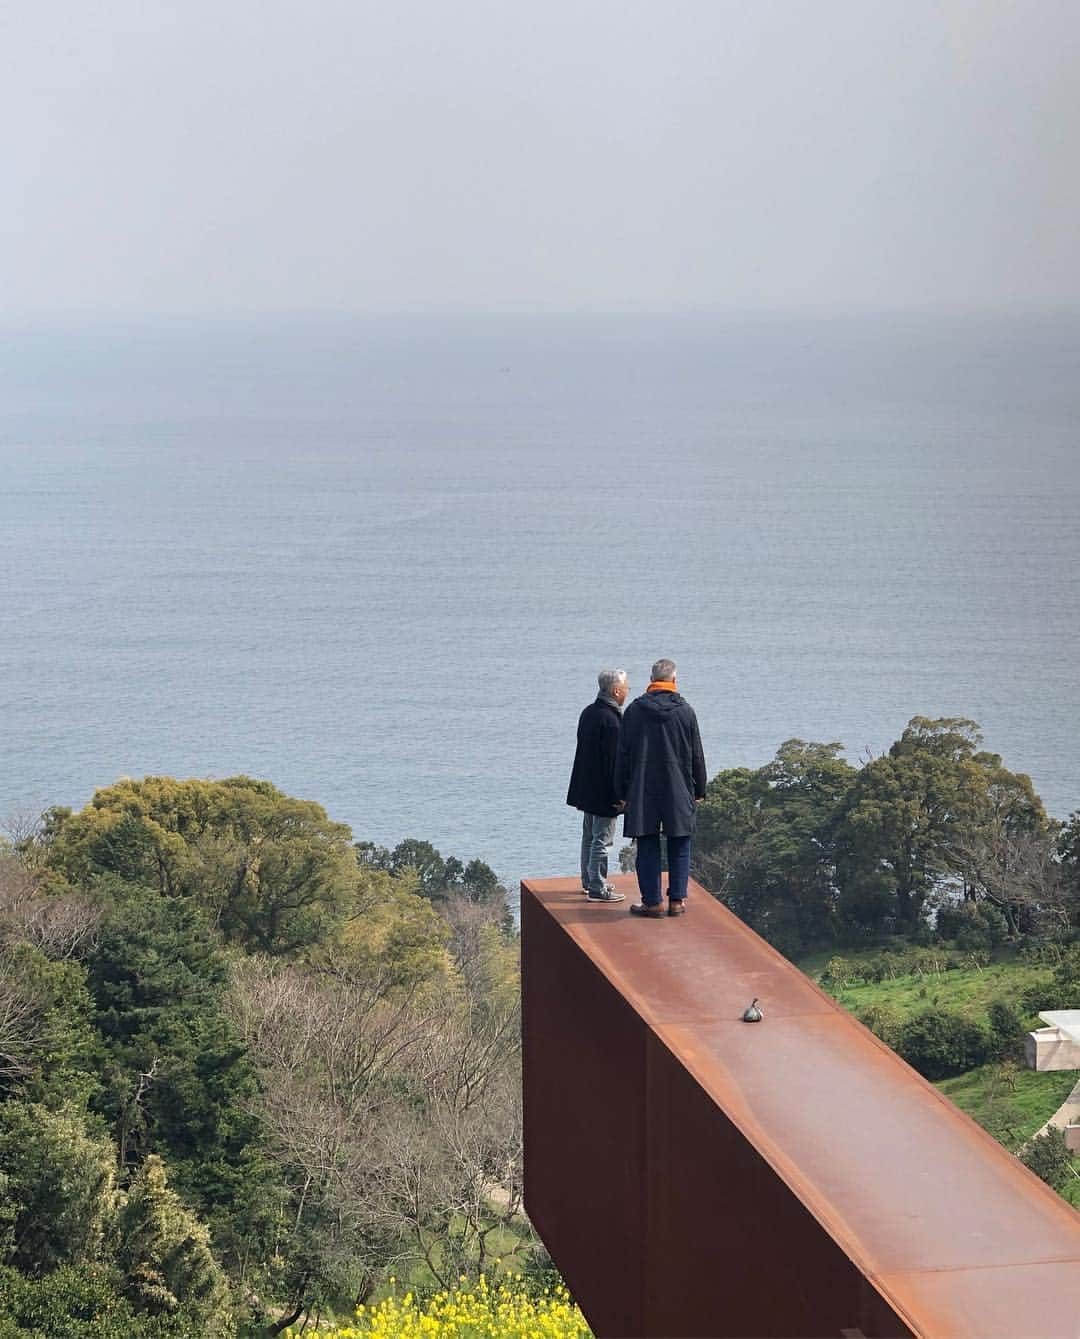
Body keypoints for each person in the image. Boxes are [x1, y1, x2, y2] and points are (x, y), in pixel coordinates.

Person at [615, 658, 706, 918]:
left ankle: (652, 902)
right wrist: (699, 789)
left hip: (642, 786)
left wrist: (621, 792)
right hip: (678, 785)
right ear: (674, 680)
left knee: (646, 842)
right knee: (680, 841)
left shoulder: (634, 711)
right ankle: (676, 901)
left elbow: (623, 755)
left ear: (651, 679)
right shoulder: (686, 711)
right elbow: (696, 755)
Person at [566, 669, 629, 903]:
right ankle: (597, 886)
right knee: (602, 839)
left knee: (589, 837)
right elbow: (615, 763)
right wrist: (621, 793)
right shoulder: (612, 721)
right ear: (615, 690)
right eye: (625, 688)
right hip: (605, 793)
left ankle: (589, 880)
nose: (627, 692)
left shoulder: (589, 713)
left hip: (587, 788)